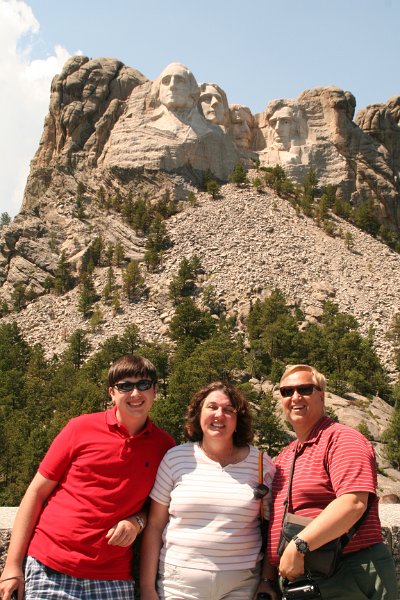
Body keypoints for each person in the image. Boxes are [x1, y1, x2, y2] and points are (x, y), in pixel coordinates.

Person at [0, 354, 175, 600]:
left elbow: (157, 510)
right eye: (126, 386)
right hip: (49, 567)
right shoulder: (79, 428)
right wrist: (12, 566)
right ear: (112, 393)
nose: (135, 393)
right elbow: (36, 493)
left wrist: (137, 521)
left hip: (112, 575)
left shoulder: (165, 447)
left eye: (143, 385)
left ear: (155, 391)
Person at [267, 364, 398, 599]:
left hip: (350, 571)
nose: (295, 397)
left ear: (322, 395)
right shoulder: (286, 455)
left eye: (304, 389)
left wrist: (299, 545)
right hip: (306, 579)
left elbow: (353, 503)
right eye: (286, 391)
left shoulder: (342, 439)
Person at [140, 381, 278, 600]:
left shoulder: (261, 464)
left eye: (228, 410)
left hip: (241, 585)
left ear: (238, 419)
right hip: (178, 585)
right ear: (198, 413)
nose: (219, 415)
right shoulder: (176, 458)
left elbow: (273, 528)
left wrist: (267, 580)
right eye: (212, 407)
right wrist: (147, 589)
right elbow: (155, 526)